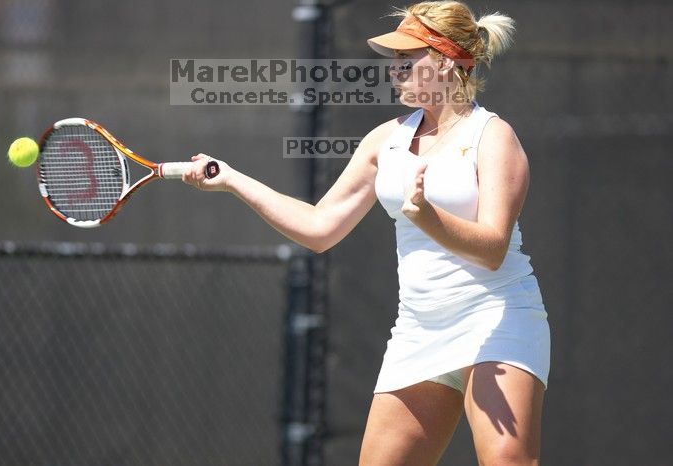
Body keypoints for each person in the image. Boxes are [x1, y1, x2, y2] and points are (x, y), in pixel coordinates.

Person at [182, 1, 550, 464]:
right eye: (393, 61)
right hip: (420, 327)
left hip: (497, 319)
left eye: (406, 60)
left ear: (448, 63)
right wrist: (233, 179)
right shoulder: (384, 141)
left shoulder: (494, 137)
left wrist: (428, 217)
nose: (394, 71)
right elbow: (320, 228)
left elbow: (493, 248)